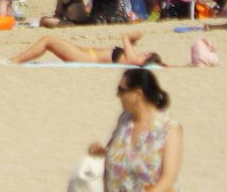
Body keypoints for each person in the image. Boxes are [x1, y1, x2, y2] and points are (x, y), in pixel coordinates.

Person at [89, 67, 182, 192]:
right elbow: (123, 155)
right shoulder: (125, 120)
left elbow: (168, 178)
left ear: (138, 94)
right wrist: (102, 151)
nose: (118, 95)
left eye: (121, 90)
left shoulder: (169, 129)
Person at [10, 30, 164, 67]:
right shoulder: (133, 55)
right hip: (85, 52)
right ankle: (15, 60)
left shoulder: (134, 60)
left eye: (147, 55)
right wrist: (132, 40)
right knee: (49, 40)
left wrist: (126, 38)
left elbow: (131, 59)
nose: (145, 53)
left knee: (48, 40)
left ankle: (15, 61)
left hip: (87, 58)